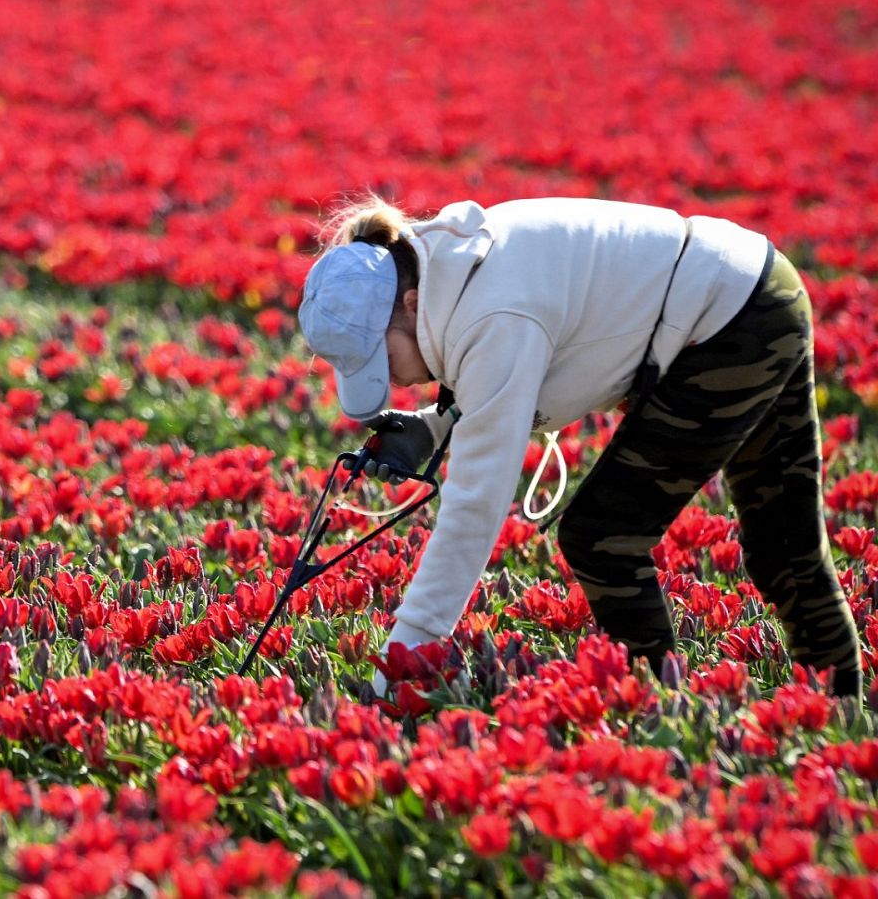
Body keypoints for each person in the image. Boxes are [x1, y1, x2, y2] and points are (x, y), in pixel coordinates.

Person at [299, 196, 863, 698]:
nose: (393, 381)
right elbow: (496, 380)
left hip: (727, 322)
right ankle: (845, 709)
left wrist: (408, 654)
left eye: (384, 358)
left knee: (603, 537)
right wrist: (431, 425)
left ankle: (663, 709)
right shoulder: (449, 265)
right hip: (758, 282)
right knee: (785, 541)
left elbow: (476, 501)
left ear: (409, 304)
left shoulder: (493, 313)